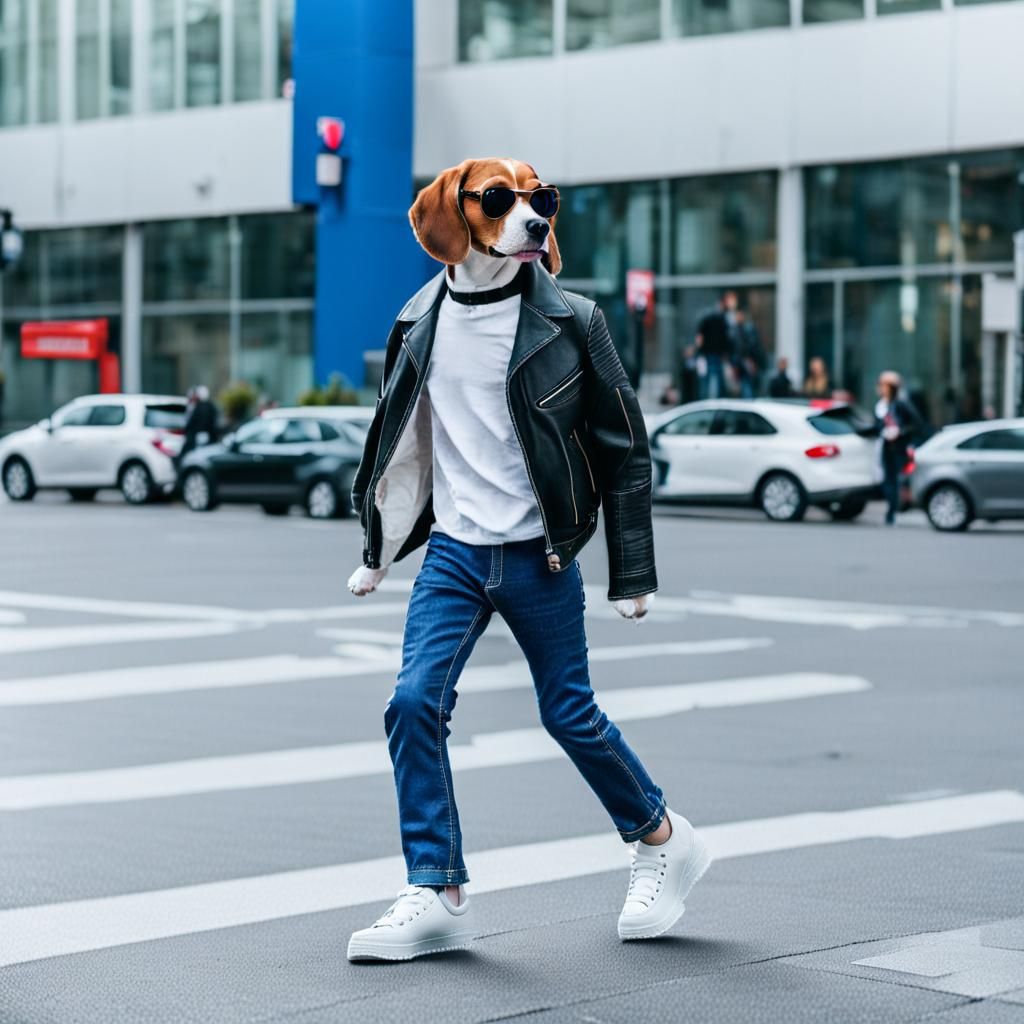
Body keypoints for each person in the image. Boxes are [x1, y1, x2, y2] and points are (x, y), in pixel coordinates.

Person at [345, 157, 711, 962]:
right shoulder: (418, 322)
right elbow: (396, 442)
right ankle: (437, 889)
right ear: (455, 217)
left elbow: (625, 447)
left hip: (540, 553)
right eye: (502, 202)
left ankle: (663, 839)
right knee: (411, 703)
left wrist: (633, 571)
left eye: (538, 202)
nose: (529, 216)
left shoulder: (574, 320)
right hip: (455, 552)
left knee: (568, 714)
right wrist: (377, 547)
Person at [872, 370, 922, 526]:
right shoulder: (880, 406)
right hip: (885, 447)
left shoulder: (901, 405)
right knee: (888, 480)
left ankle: (894, 510)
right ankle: (891, 510)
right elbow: (877, 426)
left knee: (898, 480)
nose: (881, 388)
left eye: (884, 385)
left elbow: (916, 424)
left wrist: (900, 432)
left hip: (899, 447)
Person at [695, 291, 736, 399]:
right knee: (717, 380)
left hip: (710, 354)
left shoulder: (710, 318)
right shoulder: (723, 320)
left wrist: (700, 351)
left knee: (707, 381)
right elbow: (728, 339)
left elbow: (699, 338)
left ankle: (705, 401)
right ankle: (717, 400)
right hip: (716, 355)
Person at [178, 385, 218, 465]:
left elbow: (194, 421)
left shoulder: (200, 406)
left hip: (198, 435)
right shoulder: (210, 406)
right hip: (204, 435)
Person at [732, 310, 765, 399]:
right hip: (743, 362)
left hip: (746, 361)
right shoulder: (736, 330)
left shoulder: (746, 329)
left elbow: (749, 347)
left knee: (748, 386)